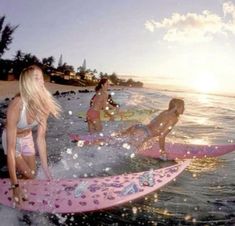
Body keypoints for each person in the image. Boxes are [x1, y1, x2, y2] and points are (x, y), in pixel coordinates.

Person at [1, 65, 61, 204]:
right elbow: (10, 150)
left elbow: (40, 139)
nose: (42, 81)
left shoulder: (44, 105)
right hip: (12, 141)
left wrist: (46, 171)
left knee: (32, 175)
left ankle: (22, 187)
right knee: (28, 174)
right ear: (28, 82)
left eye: (41, 78)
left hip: (27, 139)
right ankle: (16, 188)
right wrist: (14, 186)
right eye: (37, 78)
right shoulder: (17, 105)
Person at [117, 98, 184, 160]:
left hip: (139, 127)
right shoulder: (174, 118)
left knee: (118, 140)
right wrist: (162, 151)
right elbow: (162, 135)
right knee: (125, 153)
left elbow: (155, 124)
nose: (184, 109)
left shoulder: (165, 112)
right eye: (182, 107)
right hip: (143, 133)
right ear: (176, 107)